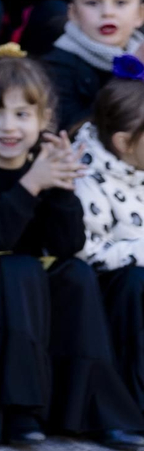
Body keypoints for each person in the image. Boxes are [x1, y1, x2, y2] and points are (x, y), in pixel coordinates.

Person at [0, 51, 144, 449]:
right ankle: (15, 412)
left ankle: (95, 411)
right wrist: (29, 185)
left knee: (76, 274)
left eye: (22, 115)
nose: (9, 127)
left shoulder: (45, 163)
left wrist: (62, 188)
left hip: (37, 274)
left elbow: (69, 243)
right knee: (20, 269)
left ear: (44, 119)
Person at [74, 71, 144, 420]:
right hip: (110, 294)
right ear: (123, 142)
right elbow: (87, 252)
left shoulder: (138, 163)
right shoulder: (88, 176)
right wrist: (139, 252)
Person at [44, 0, 144, 132]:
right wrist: (129, 76)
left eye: (120, 2)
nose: (107, 12)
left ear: (140, 14)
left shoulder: (138, 49)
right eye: (92, 3)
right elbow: (73, 130)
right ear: (73, 13)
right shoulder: (58, 67)